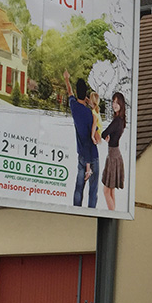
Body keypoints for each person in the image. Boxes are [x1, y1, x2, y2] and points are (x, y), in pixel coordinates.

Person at [64, 70, 99, 208]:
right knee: (93, 190)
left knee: (79, 188)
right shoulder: (90, 115)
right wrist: (93, 107)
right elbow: (95, 138)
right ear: (86, 95)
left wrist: (67, 79)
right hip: (92, 155)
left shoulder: (73, 106)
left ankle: (76, 210)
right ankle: (91, 213)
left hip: (81, 156)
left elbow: (69, 92)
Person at [101, 92, 127, 211]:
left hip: (113, 156)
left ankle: (112, 213)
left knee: (106, 191)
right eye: (113, 102)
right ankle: (113, 213)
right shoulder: (120, 120)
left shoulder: (117, 121)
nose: (114, 105)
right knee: (111, 190)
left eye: (117, 102)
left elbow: (104, 133)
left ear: (121, 104)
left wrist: (106, 136)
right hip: (115, 154)